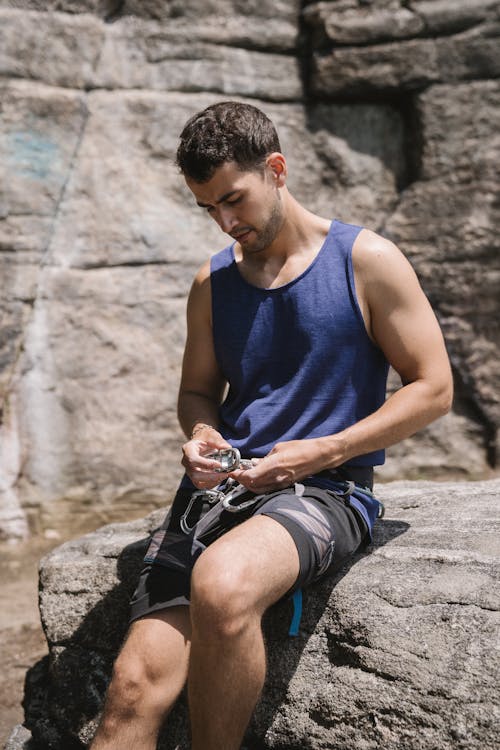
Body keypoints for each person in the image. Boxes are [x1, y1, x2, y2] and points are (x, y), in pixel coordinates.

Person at [90, 101, 453, 750]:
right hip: (219, 491)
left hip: (329, 490)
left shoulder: (366, 260)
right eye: (208, 208)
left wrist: (324, 450)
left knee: (224, 587)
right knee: (129, 695)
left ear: (276, 169)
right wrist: (202, 437)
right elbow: (198, 392)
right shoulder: (213, 281)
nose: (227, 222)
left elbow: (434, 388)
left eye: (234, 199)